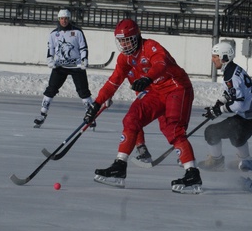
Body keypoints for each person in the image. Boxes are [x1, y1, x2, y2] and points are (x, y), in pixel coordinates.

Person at [83, 18, 202, 193]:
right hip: (155, 91)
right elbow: (113, 82)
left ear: (136, 37)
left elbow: (161, 64)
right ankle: (119, 166)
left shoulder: (151, 46)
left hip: (176, 88)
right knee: (131, 119)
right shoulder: (125, 58)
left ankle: (192, 174)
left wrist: (148, 78)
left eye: (127, 40)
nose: (124, 44)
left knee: (173, 129)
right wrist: (97, 103)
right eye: (121, 41)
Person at [198, 41, 252, 171]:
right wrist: (218, 104)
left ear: (224, 57)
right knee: (237, 137)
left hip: (249, 115)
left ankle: (218, 161)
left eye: (215, 56)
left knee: (212, 132)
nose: (212, 59)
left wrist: (219, 110)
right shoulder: (233, 69)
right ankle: (245, 160)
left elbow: (239, 104)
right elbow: (231, 93)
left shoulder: (231, 76)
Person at [34, 9, 93, 127]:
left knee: (83, 92)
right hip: (60, 66)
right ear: (58, 19)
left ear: (69, 19)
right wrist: (50, 60)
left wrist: (84, 59)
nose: (64, 21)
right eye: (62, 18)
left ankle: (91, 116)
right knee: (51, 89)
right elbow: (50, 49)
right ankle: (42, 114)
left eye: (66, 18)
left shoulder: (77, 32)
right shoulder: (53, 34)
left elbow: (83, 47)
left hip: (76, 66)